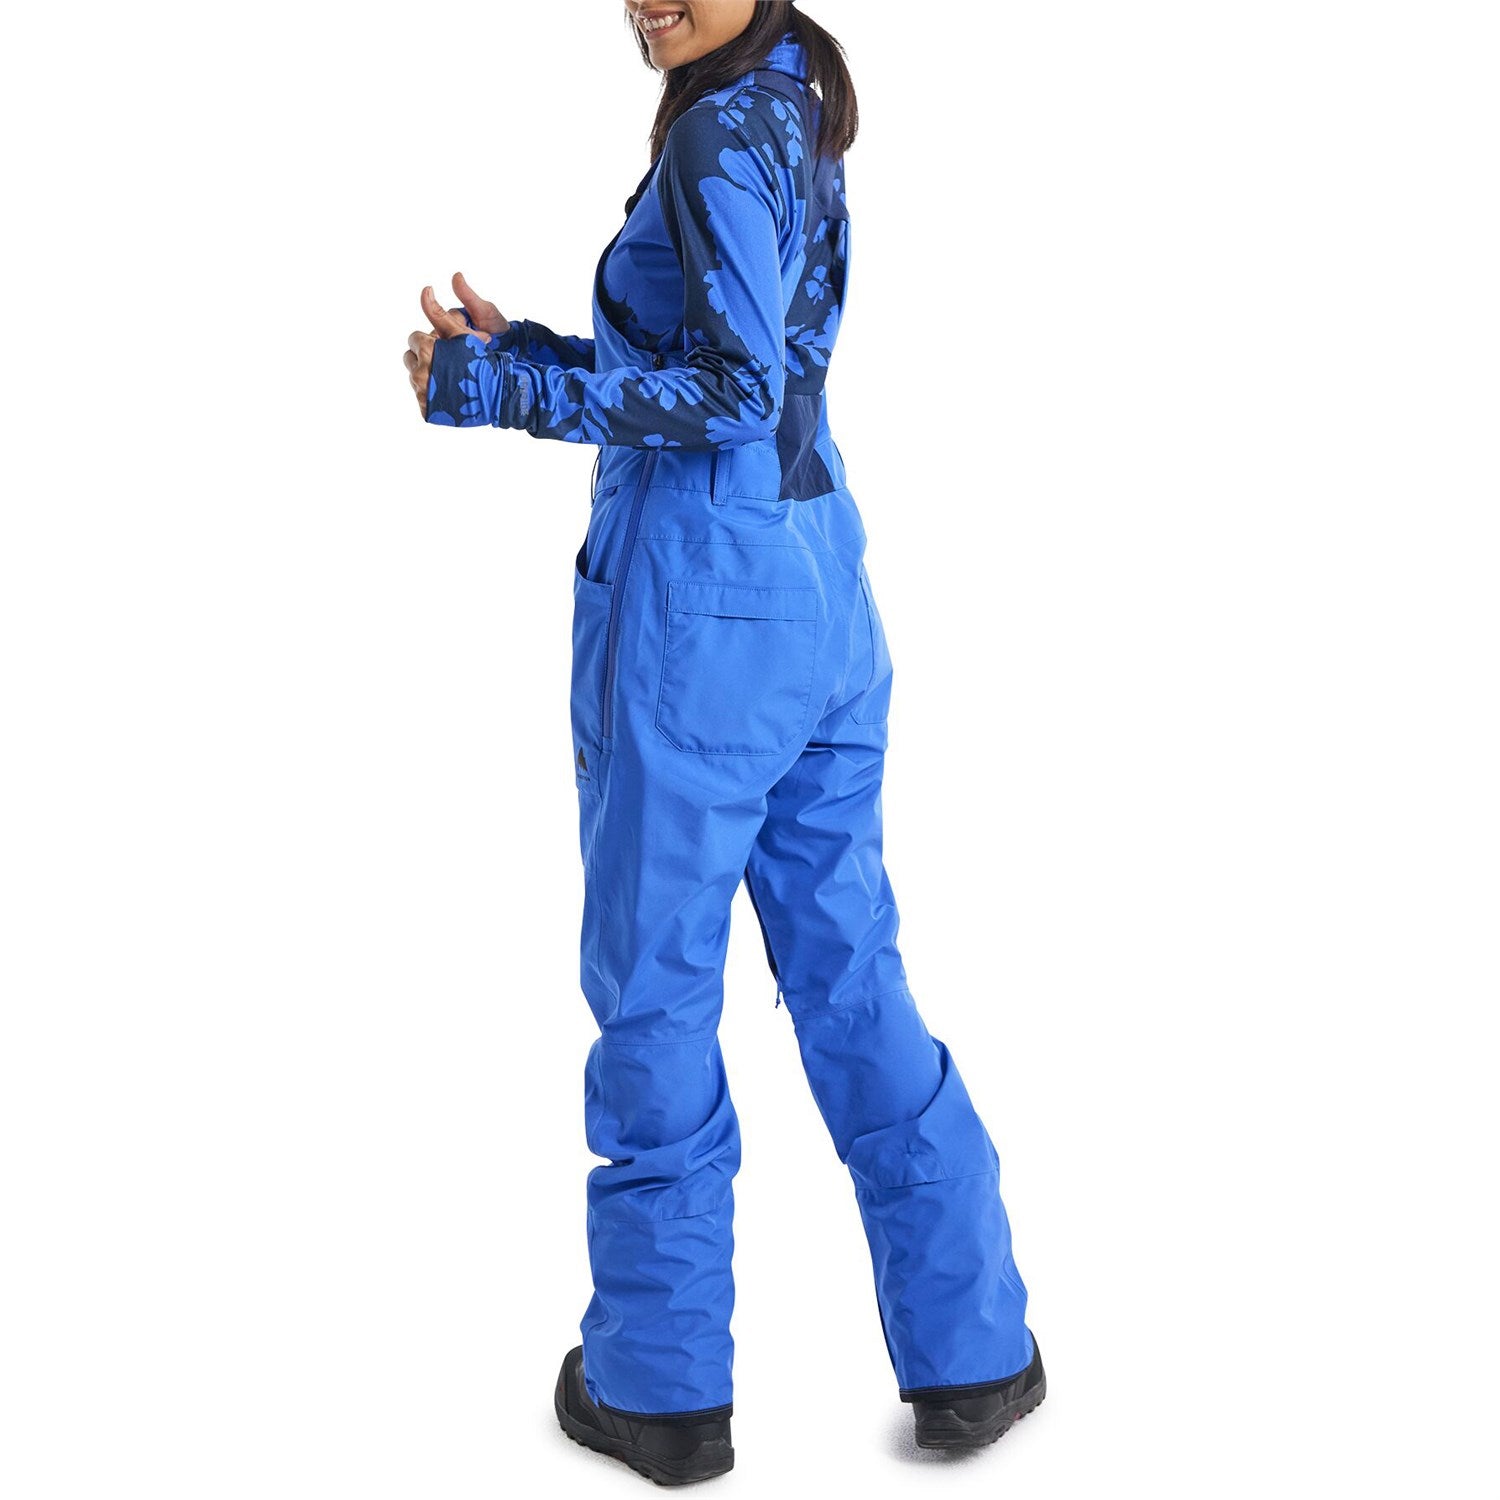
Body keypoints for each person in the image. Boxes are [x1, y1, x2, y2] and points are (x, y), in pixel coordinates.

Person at [403, 0, 1044, 1484]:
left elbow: (734, 394)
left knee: (657, 986)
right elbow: (738, 363)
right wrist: (540, 343)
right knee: (849, 968)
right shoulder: (789, 101)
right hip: (818, 586)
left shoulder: (712, 135)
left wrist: (500, 387)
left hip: (704, 612)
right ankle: (975, 1351)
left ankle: (662, 1386)